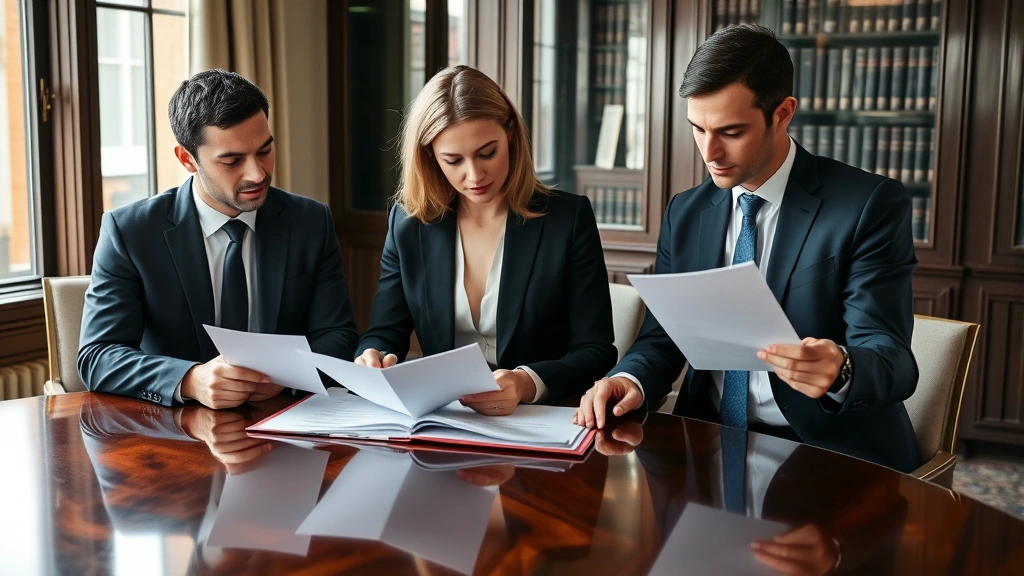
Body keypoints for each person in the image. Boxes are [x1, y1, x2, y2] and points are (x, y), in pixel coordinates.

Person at [576, 24, 921, 473]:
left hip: (828, 453)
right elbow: (662, 340)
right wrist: (630, 379)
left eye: (731, 131)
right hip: (706, 446)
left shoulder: (867, 205)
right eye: (697, 129)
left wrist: (841, 368)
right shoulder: (686, 212)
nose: (710, 152)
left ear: (783, 112)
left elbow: (892, 357)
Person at [79, 69, 359, 409]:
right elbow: (98, 356)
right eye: (232, 160)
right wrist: (190, 380)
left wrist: (290, 375)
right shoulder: (131, 232)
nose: (257, 173)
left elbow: (338, 336)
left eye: (265, 151)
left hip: (282, 423)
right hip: (173, 436)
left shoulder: (310, 222)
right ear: (187, 159)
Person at [354, 65, 616, 415]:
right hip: (447, 419)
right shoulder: (408, 224)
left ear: (510, 133)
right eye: (453, 160)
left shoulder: (567, 220)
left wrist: (526, 382)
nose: (474, 175)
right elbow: (385, 332)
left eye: (487, 153)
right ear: (430, 155)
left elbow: (596, 349)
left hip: (540, 419)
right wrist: (372, 355)